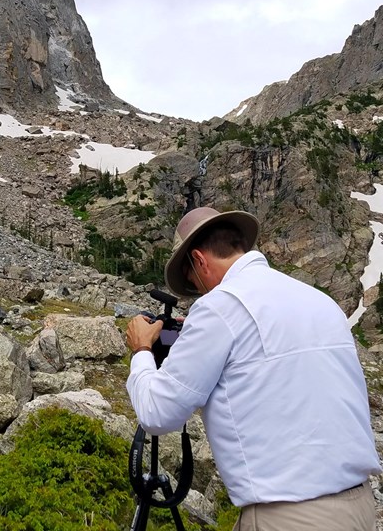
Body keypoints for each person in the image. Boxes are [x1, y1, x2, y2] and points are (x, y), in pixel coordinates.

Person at [126, 206, 381, 531]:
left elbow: (157, 414)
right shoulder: (320, 301)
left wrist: (142, 349)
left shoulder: (221, 306)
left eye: (193, 279)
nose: (199, 291)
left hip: (288, 515)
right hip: (358, 507)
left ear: (200, 261)